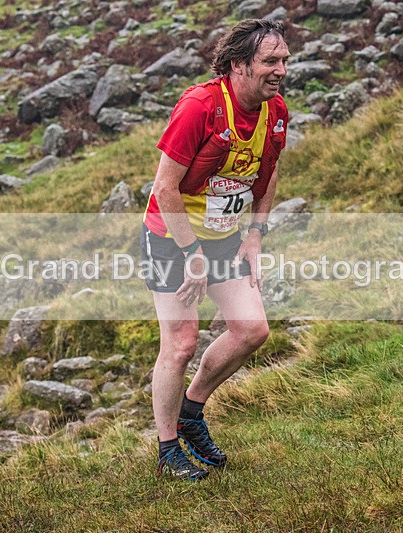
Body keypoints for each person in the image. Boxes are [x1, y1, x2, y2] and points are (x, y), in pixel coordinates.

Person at [140, 18, 290, 481]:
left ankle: (192, 411)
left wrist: (256, 235)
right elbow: (165, 188)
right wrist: (193, 254)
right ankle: (168, 451)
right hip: (171, 236)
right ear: (238, 65)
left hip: (224, 235)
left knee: (251, 329)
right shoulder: (200, 106)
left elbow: (267, 177)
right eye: (270, 61)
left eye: (284, 59)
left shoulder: (275, 110)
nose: (281, 69)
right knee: (180, 344)